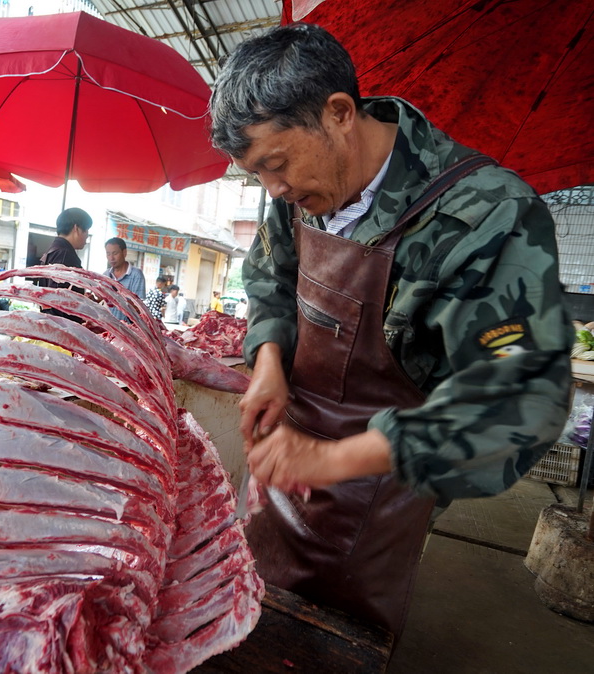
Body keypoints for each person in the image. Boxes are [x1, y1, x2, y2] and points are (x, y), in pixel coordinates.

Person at [209, 23, 571, 637]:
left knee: (333, 638)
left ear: (340, 113)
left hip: (383, 483)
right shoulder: (293, 191)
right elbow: (270, 272)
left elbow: (520, 400)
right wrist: (269, 359)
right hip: (289, 453)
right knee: (249, 606)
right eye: (257, 176)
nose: (274, 190)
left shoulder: (486, 215)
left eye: (276, 164)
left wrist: (333, 461)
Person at [102, 237, 146, 321]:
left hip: (128, 328)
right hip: (109, 327)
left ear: (124, 252)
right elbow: (104, 302)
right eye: (108, 254)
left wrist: (116, 298)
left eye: (115, 253)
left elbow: (138, 307)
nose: (111, 258)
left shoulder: (136, 275)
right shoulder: (105, 275)